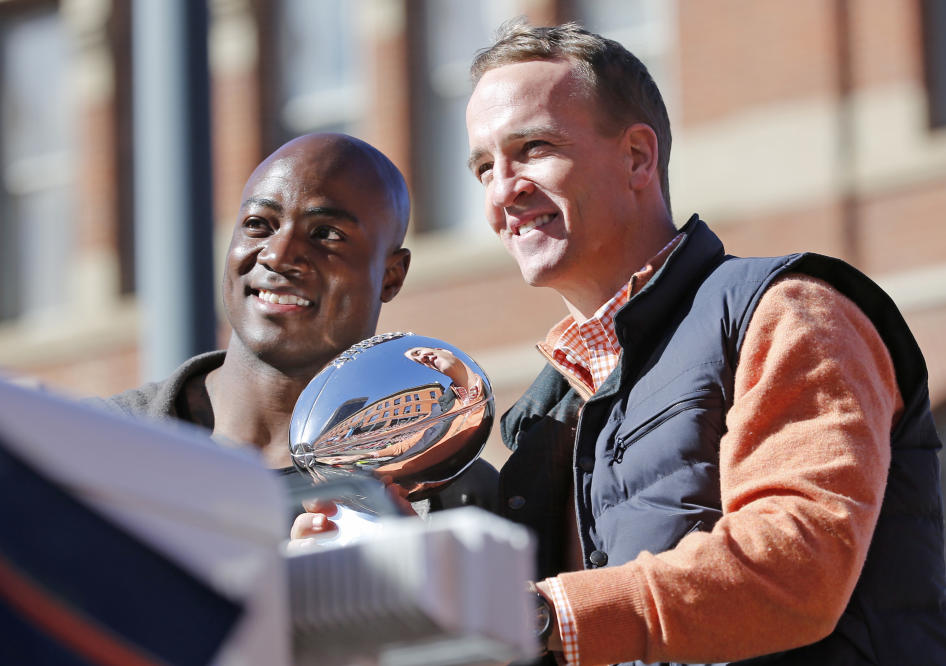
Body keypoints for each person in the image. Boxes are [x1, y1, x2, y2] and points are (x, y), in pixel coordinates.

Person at [465, 20, 946, 666]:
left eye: (533, 148)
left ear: (638, 157)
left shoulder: (786, 310)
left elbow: (798, 565)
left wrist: (544, 613)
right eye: (482, 167)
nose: (503, 190)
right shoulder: (543, 422)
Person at [94, 132, 497, 530]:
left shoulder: (458, 502)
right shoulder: (97, 445)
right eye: (258, 224)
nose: (278, 255)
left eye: (326, 235)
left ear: (391, 276)